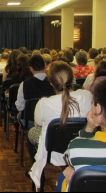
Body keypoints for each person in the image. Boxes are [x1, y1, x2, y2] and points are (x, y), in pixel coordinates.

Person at [26, 61, 92, 191]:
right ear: (72, 78)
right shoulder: (87, 96)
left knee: (32, 132)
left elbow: (38, 123)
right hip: (81, 147)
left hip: (54, 152)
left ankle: (37, 169)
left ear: (50, 82)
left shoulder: (44, 103)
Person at [56, 79, 106, 191]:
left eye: (92, 103)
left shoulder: (77, 149)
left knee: (63, 177)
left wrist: (89, 127)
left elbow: (69, 156)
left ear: (98, 108)